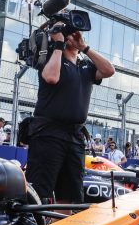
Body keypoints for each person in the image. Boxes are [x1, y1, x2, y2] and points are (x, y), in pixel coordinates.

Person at [26, 24, 115, 204]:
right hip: (48, 133)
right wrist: (58, 44)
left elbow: (109, 70)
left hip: (75, 137)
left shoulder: (86, 66)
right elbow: (51, 77)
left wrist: (84, 47)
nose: (73, 36)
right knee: (39, 192)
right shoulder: (51, 58)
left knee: (70, 196)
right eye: (69, 33)